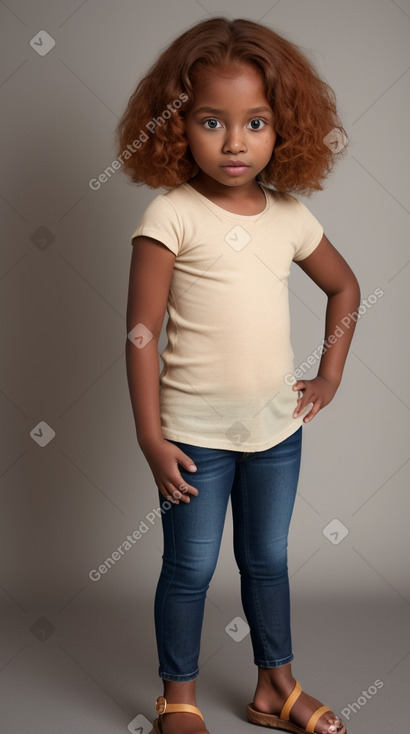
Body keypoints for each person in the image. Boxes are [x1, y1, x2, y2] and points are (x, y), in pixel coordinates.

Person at [116, 16, 360, 734]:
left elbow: (345, 288)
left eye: (254, 122)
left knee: (267, 562)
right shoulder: (170, 214)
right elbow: (139, 334)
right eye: (211, 121)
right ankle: (177, 696)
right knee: (188, 569)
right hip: (191, 437)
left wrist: (328, 377)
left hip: (274, 433)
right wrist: (149, 438)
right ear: (175, 126)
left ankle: (273, 688)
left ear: (283, 127)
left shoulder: (289, 216)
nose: (233, 142)